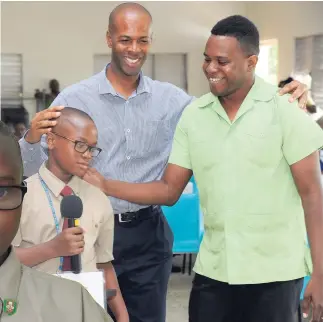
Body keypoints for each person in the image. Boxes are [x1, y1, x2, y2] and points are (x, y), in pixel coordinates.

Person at [19, 3, 310, 322]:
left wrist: (289, 92)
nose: (134, 49)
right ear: (109, 39)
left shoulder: (176, 102)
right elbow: (33, 167)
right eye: (125, 39)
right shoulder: (73, 99)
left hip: (148, 236)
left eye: (142, 40)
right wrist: (32, 138)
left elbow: (232, 95)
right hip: (88, 229)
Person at [13, 107, 128, 322]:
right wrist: (52, 249)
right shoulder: (20, 197)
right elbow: (6, 260)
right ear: (51, 140)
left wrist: (122, 315)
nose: (87, 154)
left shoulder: (98, 199)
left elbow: (104, 263)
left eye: (92, 148)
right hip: (34, 309)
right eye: (80, 144)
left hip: (86, 309)